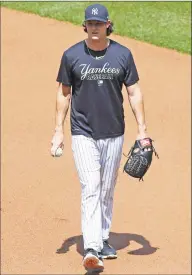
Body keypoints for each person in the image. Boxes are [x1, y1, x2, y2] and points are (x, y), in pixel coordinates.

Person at [51, 3, 149, 272]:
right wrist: (59, 130)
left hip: (114, 133)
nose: (94, 28)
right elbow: (64, 93)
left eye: (99, 23)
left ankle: (103, 237)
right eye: (90, 23)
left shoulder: (122, 55)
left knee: (107, 189)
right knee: (91, 187)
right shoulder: (71, 55)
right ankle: (92, 248)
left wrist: (142, 130)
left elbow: (134, 92)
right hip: (83, 132)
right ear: (85, 25)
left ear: (108, 24)